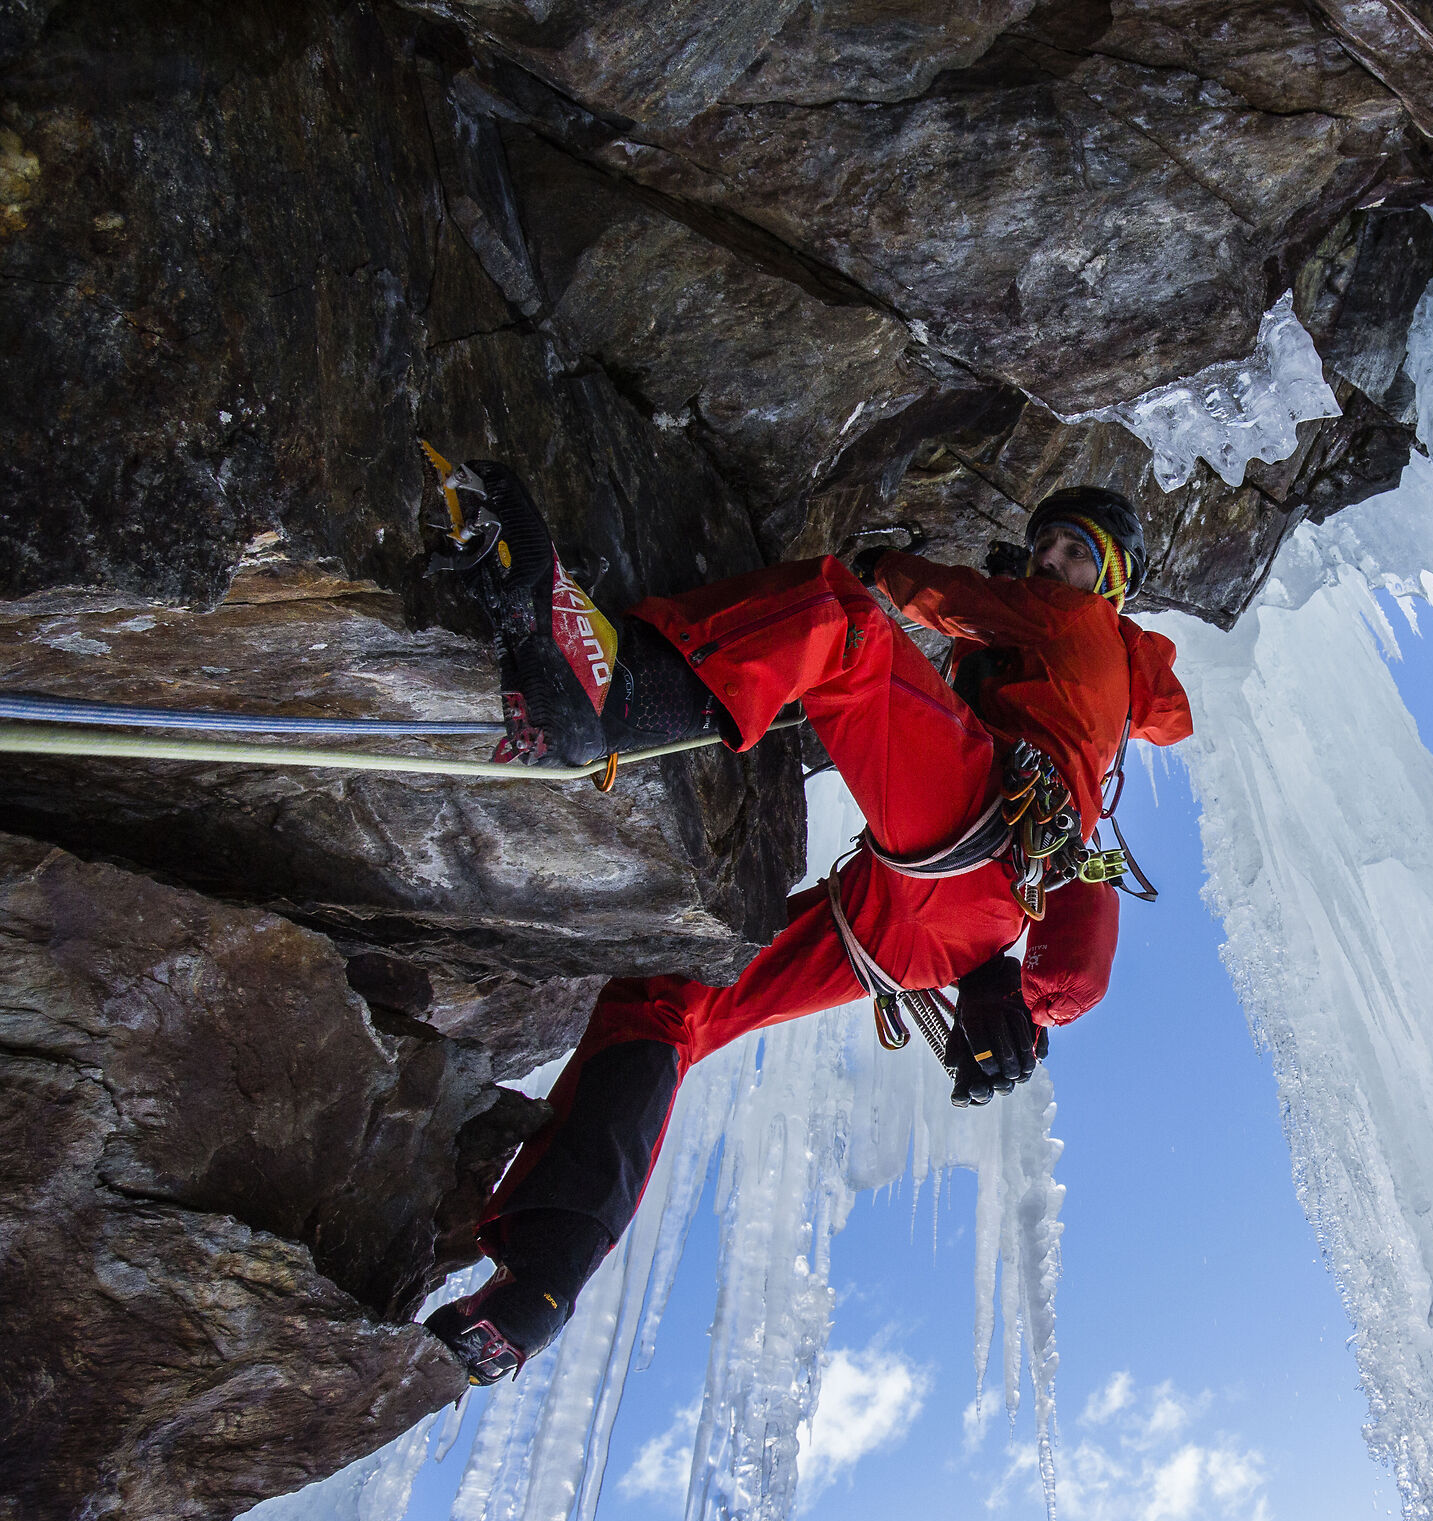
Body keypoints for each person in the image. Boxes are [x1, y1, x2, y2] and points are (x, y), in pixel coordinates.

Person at [414, 455, 1191, 1383]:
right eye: (1045, 548)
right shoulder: (1105, 700)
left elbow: (945, 599)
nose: (1050, 563)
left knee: (843, 623)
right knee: (668, 1000)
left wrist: (883, 568)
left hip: (971, 838)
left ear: (1112, 584)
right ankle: (539, 1282)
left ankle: (615, 691)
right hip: (940, 932)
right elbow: (1103, 783)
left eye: (1074, 554)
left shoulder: (1079, 621)